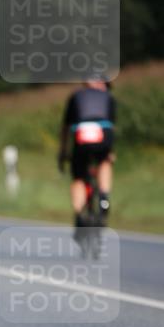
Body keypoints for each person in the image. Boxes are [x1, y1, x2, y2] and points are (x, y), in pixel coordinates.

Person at [59, 74, 116, 241]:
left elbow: (66, 128)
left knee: (78, 176)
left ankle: (78, 214)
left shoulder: (76, 96)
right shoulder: (108, 97)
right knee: (105, 161)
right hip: (103, 133)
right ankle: (104, 197)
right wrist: (111, 152)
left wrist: (63, 153)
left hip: (80, 135)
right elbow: (111, 125)